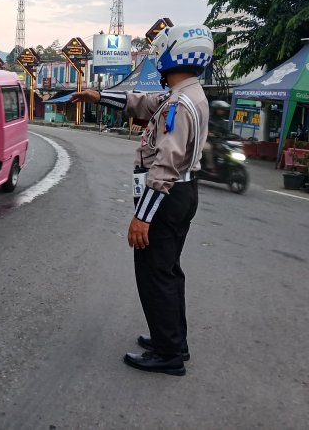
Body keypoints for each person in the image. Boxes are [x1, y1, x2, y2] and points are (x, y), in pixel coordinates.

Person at [70, 24, 212, 376]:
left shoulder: (181, 103)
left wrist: (142, 217)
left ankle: (168, 354)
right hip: (180, 194)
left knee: (154, 275)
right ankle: (173, 341)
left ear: (172, 54)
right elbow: (145, 103)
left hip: (168, 195)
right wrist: (98, 96)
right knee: (168, 272)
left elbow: (166, 164)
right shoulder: (185, 94)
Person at [203, 99, 231, 170]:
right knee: (207, 148)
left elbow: (226, 131)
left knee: (228, 150)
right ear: (215, 109)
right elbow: (203, 128)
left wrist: (231, 135)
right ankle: (211, 166)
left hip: (218, 141)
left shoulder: (222, 120)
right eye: (220, 109)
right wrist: (208, 133)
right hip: (207, 141)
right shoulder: (208, 119)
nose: (222, 111)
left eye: (223, 109)